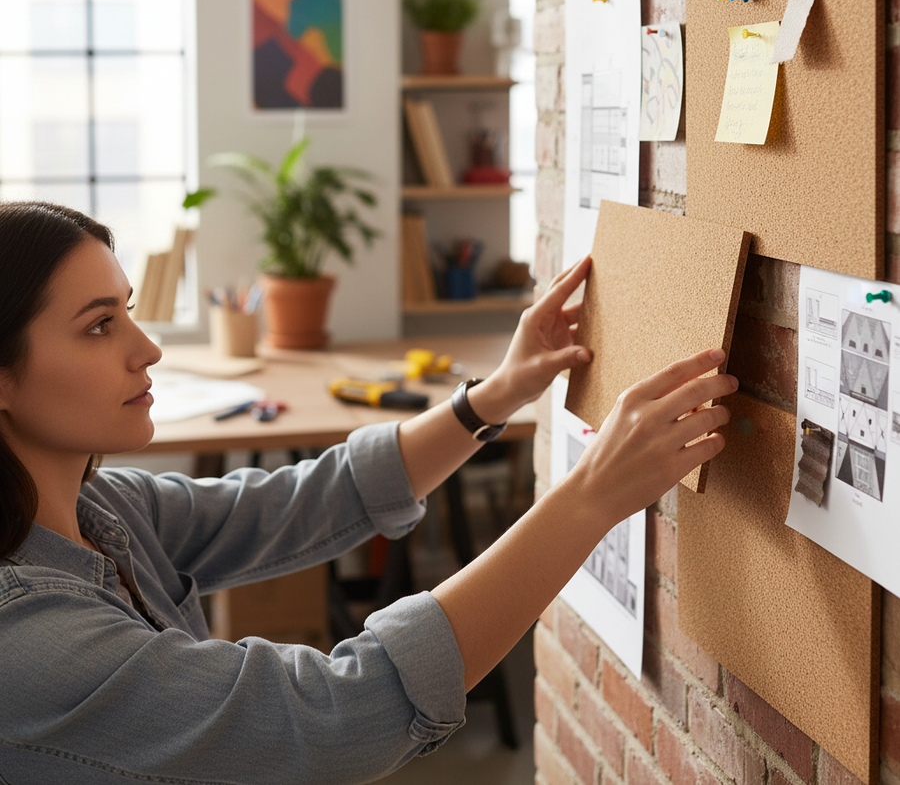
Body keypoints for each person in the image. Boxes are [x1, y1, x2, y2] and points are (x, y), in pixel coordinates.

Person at [0, 201, 738, 785]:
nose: (147, 347)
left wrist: (493, 397)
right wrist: (590, 498)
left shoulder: (106, 508)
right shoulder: (29, 641)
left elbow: (308, 499)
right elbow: (339, 714)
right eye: (100, 325)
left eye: (128, 309)